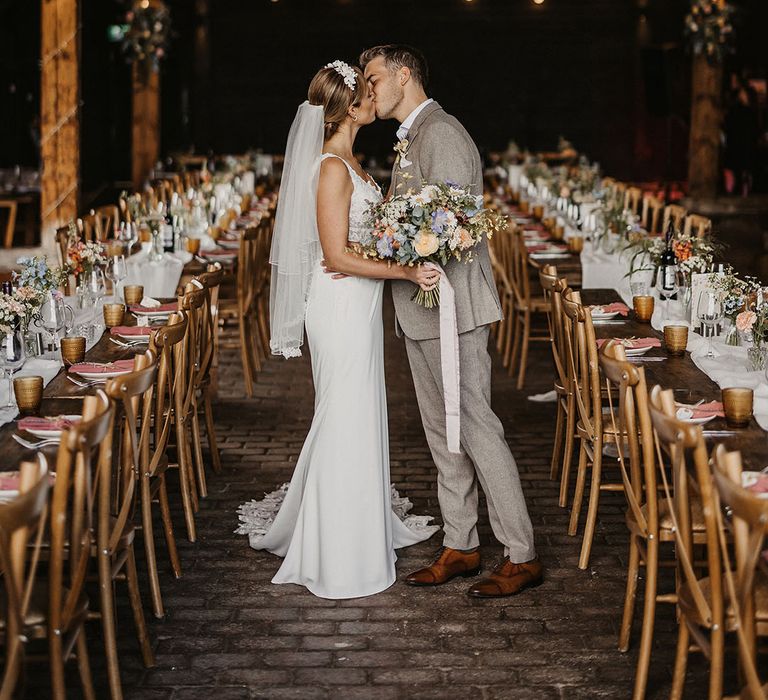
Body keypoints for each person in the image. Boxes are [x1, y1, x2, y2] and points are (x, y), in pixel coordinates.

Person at [235, 60, 440, 599]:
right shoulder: (330, 168)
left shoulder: (352, 161)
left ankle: (358, 525)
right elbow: (336, 256)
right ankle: (337, 546)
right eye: (367, 91)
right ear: (351, 109)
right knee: (343, 414)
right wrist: (405, 268)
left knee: (360, 411)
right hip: (340, 305)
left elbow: (357, 242)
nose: (375, 96)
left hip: (360, 305)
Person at [358, 44, 542, 597]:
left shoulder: (442, 133)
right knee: (443, 434)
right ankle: (461, 542)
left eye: (373, 79)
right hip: (421, 311)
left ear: (404, 75)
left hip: (453, 311)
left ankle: (522, 552)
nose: (368, 90)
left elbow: (457, 226)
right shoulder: (412, 137)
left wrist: (406, 243)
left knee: (477, 427)